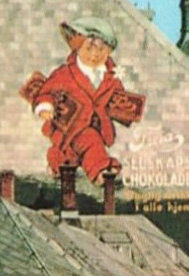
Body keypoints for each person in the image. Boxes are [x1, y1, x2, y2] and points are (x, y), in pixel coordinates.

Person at [20, 16, 145, 185]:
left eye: (101, 50)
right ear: (78, 47)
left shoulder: (112, 78)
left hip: (99, 127)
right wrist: (45, 107)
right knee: (89, 141)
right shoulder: (65, 73)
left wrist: (125, 110)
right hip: (71, 126)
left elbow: (117, 98)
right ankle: (100, 169)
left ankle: (58, 162)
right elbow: (46, 91)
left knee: (74, 153)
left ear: (108, 52)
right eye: (89, 48)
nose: (94, 55)